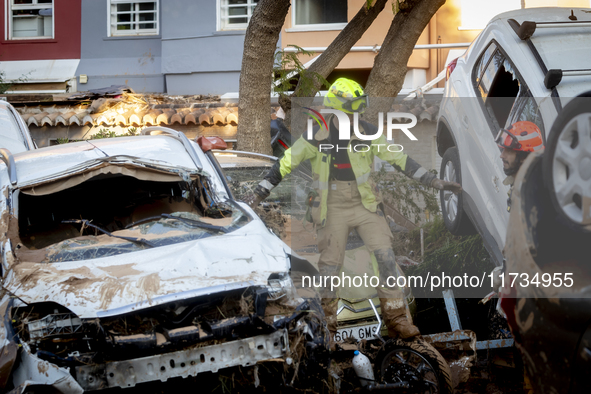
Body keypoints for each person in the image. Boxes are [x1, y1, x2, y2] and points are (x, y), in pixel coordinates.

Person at [245, 78, 461, 339]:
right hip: (332, 207)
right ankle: (327, 329)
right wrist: (258, 193)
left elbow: (398, 157)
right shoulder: (315, 136)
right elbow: (285, 164)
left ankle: (396, 320)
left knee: (385, 259)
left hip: (365, 204)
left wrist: (434, 181)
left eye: (357, 110)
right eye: (351, 110)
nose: (356, 115)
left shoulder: (367, 132)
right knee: (329, 269)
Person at [496, 121, 544, 212]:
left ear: (524, 157)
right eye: (503, 150)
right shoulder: (524, 180)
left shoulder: (533, 197)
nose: (501, 155)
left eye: (509, 151)